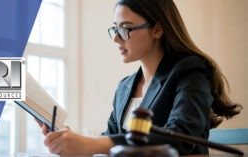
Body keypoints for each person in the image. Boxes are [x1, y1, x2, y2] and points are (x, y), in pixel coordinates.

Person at [38, 0, 242, 155]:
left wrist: (91, 145)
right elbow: (111, 140)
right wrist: (70, 138)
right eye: (115, 28)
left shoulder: (191, 71)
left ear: (157, 29)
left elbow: (183, 137)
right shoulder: (125, 87)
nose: (116, 38)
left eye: (126, 29)